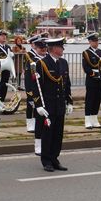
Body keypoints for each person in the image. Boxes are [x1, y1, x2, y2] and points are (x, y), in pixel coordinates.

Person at [31, 37, 72, 171]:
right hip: (47, 105)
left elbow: (67, 84)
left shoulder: (63, 63)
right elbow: (35, 86)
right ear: (54, 48)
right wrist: (38, 105)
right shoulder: (41, 64)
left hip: (59, 104)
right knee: (47, 134)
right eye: (61, 47)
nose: (63, 49)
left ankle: (55, 158)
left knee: (58, 134)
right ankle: (46, 160)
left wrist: (69, 101)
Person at [24, 36, 48, 156]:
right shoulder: (33, 62)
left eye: (44, 47)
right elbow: (29, 80)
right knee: (39, 123)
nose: (43, 49)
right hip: (38, 95)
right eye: (40, 47)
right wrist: (31, 95)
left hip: (48, 97)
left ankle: (47, 145)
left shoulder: (49, 59)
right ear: (36, 48)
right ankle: (38, 146)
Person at [82, 32, 101, 129]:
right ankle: (87, 120)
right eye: (94, 41)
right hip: (91, 79)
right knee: (90, 100)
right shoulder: (86, 53)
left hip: (100, 79)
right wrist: (94, 74)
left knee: (97, 100)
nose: (96, 43)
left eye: (97, 41)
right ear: (90, 42)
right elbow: (86, 67)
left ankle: (94, 119)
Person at [22, 35, 42, 133]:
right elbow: (28, 74)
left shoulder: (43, 55)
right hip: (30, 81)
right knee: (31, 105)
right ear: (33, 44)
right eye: (35, 43)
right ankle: (30, 123)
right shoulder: (29, 55)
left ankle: (37, 123)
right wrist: (28, 89)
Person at [0, 30, 12, 101]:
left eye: (5, 35)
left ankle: (2, 101)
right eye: (2, 36)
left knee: (5, 87)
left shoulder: (8, 47)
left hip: (6, 71)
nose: (4, 37)